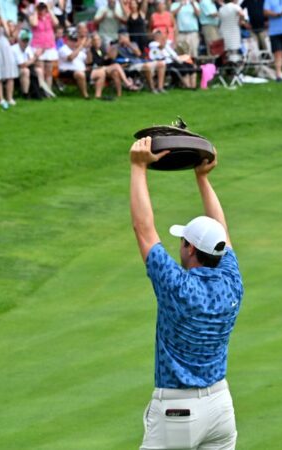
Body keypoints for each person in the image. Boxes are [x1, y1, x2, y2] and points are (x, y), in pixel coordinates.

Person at [129, 137, 243, 450]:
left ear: (189, 248)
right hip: (221, 407)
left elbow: (144, 230)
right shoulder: (232, 281)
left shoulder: (177, 287)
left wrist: (139, 167)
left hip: (178, 413)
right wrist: (202, 178)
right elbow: (223, 235)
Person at [89, 32, 139, 97]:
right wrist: (105, 58)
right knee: (116, 65)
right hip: (96, 69)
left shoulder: (101, 49)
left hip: (104, 68)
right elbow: (94, 62)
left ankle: (119, 95)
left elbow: (109, 60)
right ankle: (127, 83)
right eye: (95, 40)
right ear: (92, 42)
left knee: (115, 73)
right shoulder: (90, 50)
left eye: (99, 39)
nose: (98, 41)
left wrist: (108, 57)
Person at [117, 28, 167, 92]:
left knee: (161, 64)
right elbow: (111, 56)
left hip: (141, 62)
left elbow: (138, 54)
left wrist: (128, 44)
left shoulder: (133, 44)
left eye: (126, 36)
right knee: (147, 66)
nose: (125, 37)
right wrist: (119, 44)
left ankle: (160, 87)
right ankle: (152, 88)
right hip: (131, 65)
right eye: (123, 36)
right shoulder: (115, 45)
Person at [11, 28, 56, 98]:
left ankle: (40, 91)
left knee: (39, 70)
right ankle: (25, 94)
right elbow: (22, 65)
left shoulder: (28, 48)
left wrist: (38, 56)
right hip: (14, 70)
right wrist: (35, 57)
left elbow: (32, 62)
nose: (25, 42)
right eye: (23, 40)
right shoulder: (14, 49)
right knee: (26, 71)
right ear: (19, 40)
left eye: (27, 41)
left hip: (25, 68)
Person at [0, 2, 19, 109]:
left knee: (10, 73)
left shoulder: (3, 21)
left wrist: (3, 22)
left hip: (5, 45)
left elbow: (8, 34)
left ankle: (10, 97)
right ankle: (1, 98)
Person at [29, 0, 59, 90]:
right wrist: (35, 10)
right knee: (40, 70)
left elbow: (56, 23)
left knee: (49, 71)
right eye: (40, 7)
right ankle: (42, 89)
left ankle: (48, 90)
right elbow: (34, 24)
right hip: (38, 46)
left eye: (43, 7)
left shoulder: (49, 16)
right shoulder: (33, 17)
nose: (42, 9)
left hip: (49, 45)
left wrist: (49, 10)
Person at [57, 29, 91, 98]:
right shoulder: (63, 48)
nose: (74, 42)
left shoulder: (80, 50)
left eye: (75, 40)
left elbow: (89, 61)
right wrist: (81, 46)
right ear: (67, 40)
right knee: (80, 74)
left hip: (82, 70)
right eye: (72, 40)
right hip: (67, 72)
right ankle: (85, 95)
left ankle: (98, 95)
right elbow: (70, 58)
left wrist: (88, 49)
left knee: (100, 72)